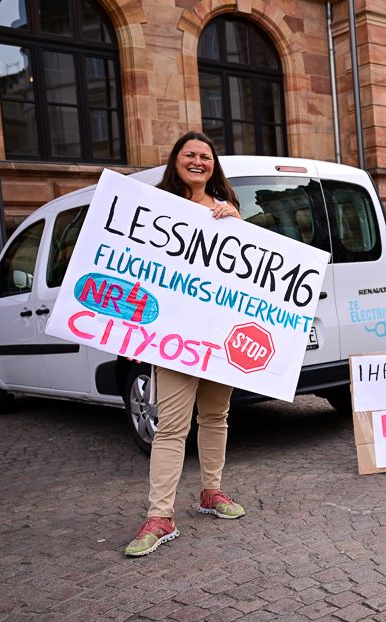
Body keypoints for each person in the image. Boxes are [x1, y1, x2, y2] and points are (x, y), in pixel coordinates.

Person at [125, 132, 246, 557]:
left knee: (216, 416)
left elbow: (247, 271)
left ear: (214, 165)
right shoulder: (154, 208)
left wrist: (238, 224)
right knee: (172, 426)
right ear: (175, 160)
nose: (197, 161)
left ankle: (211, 492)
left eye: (205, 156)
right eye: (189, 155)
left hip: (218, 334)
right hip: (174, 335)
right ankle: (160, 516)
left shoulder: (228, 211)